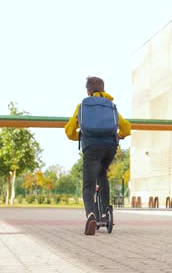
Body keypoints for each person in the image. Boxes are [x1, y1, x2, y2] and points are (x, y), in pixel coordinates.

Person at [64, 76, 131, 235]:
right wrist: (120, 135)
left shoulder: (82, 106)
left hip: (91, 147)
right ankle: (104, 213)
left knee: (88, 185)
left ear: (88, 91)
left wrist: (79, 137)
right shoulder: (111, 106)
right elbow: (126, 128)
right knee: (102, 174)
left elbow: (69, 131)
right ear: (103, 89)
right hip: (110, 147)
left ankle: (91, 215)